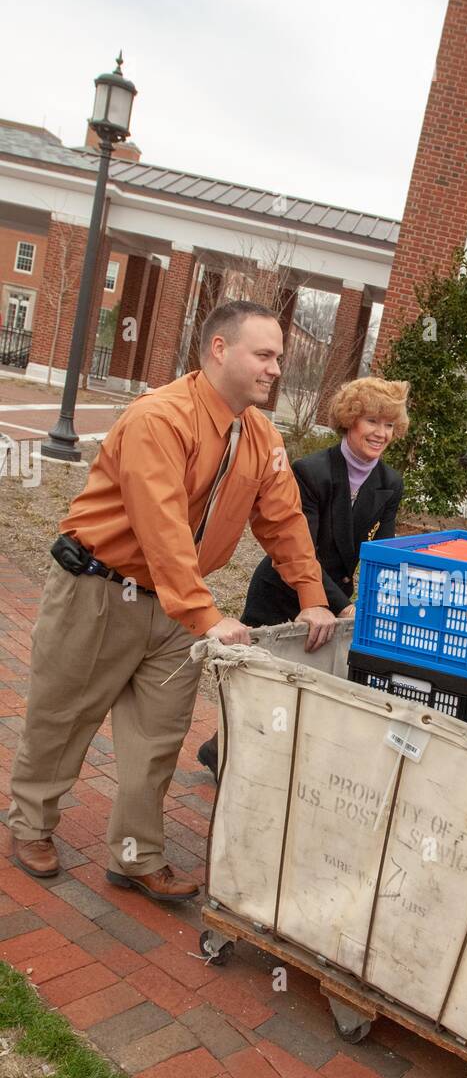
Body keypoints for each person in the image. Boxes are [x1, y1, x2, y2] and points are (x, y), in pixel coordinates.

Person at [6, 300, 336, 901]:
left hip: (178, 612)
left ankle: (134, 856)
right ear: (219, 349)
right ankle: (30, 825)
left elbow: (284, 519)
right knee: (62, 718)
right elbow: (160, 526)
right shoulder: (159, 418)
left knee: (157, 740)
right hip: (101, 591)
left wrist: (312, 596)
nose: (274, 370)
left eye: (278, 359)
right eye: (263, 355)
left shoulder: (260, 436)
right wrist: (207, 614)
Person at [197, 375, 408, 777]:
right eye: (372, 422)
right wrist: (344, 606)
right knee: (260, 681)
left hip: (334, 599)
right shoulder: (312, 471)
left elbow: (385, 553)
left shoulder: (390, 483)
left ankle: (236, 753)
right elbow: (301, 551)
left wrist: (379, 599)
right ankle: (221, 748)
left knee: (307, 686)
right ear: (350, 421)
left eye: (389, 425)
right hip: (283, 589)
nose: (381, 433)